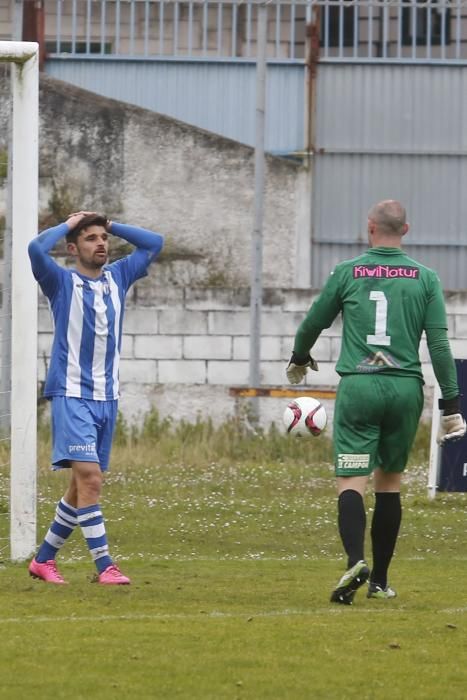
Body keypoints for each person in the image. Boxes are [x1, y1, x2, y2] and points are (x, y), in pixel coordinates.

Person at [286, 200, 466, 605]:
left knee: (351, 481)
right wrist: (452, 404)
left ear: (369, 228)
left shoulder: (347, 272)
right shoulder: (425, 278)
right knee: (389, 484)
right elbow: (438, 343)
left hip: (360, 387)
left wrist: (299, 358)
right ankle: (380, 582)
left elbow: (314, 321)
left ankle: (355, 560)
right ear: (406, 230)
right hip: (404, 390)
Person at [27, 211, 164, 585]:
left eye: (104, 238)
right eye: (90, 238)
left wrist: (111, 223)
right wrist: (69, 223)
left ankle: (43, 560)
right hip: (71, 393)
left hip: (107, 396)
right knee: (91, 480)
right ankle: (105, 566)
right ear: (72, 248)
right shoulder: (59, 281)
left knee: (79, 486)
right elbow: (35, 247)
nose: (101, 243)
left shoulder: (119, 276)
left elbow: (155, 243)